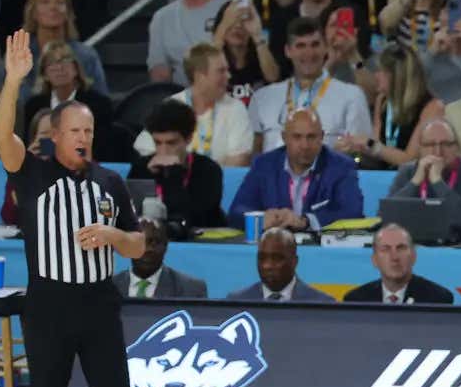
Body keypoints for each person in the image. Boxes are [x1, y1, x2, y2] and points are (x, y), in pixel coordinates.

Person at [0, 31, 160, 387]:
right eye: (75, 130)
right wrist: (14, 81)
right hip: (49, 305)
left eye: (89, 129)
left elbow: (138, 246)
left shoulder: (110, 183)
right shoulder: (33, 173)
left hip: (99, 304)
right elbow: (1, 135)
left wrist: (113, 236)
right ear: (56, 136)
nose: (83, 137)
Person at [227, 110, 361, 233]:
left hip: (317, 247)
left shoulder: (341, 166)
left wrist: (305, 221)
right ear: (284, 137)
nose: (305, 145)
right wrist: (261, 218)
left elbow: (352, 211)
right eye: (297, 137)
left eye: (311, 137)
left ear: (321, 137)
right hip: (273, 244)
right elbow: (237, 211)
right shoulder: (264, 164)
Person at [247, 17, 371, 146]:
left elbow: (361, 154)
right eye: (300, 46)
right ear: (288, 51)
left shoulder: (352, 96)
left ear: (326, 48)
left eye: (315, 45)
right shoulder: (262, 98)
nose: (309, 53)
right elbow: (253, 155)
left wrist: (350, 154)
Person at [385, 119, 461, 245]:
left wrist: (437, 182)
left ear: (457, 148)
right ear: (420, 148)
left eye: (446, 144)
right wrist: (415, 182)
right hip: (414, 246)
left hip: (458, 247)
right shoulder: (407, 172)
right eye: (430, 144)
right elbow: (387, 219)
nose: (438, 151)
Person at [129, 103, 228, 231]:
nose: (163, 151)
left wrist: (173, 175)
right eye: (157, 143)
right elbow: (131, 214)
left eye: (171, 143)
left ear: (189, 139)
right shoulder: (141, 167)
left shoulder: (208, 170)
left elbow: (193, 218)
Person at [343, 223, 454, 304]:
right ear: (374, 260)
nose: (394, 257)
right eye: (386, 249)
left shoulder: (438, 299)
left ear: (413, 256)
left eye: (401, 248)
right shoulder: (356, 300)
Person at [226, 228, 332, 302]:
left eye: (277, 258)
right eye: (262, 258)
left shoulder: (321, 303)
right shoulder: (236, 302)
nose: (267, 266)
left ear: (294, 262)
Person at [113, 220, 207, 300]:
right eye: (142, 243)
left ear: (166, 246)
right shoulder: (108, 287)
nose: (149, 249)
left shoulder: (191, 289)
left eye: (156, 242)